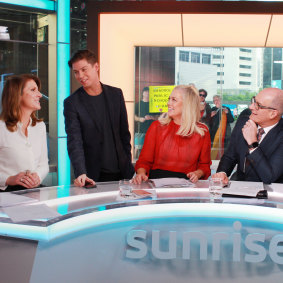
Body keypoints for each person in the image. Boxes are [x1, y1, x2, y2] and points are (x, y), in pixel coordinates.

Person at [64, 50, 134, 187]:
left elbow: (124, 134)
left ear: (96, 67)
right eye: (76, 72)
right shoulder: (72, 103)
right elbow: (74, 141)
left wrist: (127, 161)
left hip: (122, 173)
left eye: (84, 70)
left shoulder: (116, 94)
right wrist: (80, 172)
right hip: (92, 175)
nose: (80, 76)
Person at [132, 85, 211, 184]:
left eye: (174, 100)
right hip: (156, 186)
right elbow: (144, 161)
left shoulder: (202, 131)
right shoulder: (156, 127)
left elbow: (204, 166)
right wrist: (141, 173)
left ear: (187, 104)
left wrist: (197, 173)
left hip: (187, 188)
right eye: (169, 99)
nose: (168, 103)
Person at [212, 88, 283, 184]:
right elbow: (230, 156)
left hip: (269, 193)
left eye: (258, 105)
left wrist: (252, 144)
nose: (251, 107)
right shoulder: (243, 123)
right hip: (239, 186)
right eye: (254, 101)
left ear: (273, 113)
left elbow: (269, 177)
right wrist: (222, 172)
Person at [0, 74, 49, 192]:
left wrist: (37, 176)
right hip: (6, 195)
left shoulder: (39, 127)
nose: (40, 95)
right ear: (17, 95)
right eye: (33, 90)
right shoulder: (1, 128)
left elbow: (43, 165)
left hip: (35, 192)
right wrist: (9, 179)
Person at [134, 87, 159, 157]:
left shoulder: (154, 105)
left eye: (148, 93)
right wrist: (139, 119)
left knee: (151, 150)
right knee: (137, 147)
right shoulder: (138, 104)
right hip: (140, 130)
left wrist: (152, 117)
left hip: (152, 131)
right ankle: (133, 161)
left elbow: (159, 117)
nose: (147, 94)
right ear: (143, 93)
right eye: (146, 92)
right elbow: (133, 116)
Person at [210, 95, 234, 159]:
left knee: (225, 152)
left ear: (221, 100)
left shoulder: (226, 108)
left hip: (225, 135)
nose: (216, 101)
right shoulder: (212, 109)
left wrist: (227, 113)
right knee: (214, 152)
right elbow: (208, 123)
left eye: (217, 99)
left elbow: (231, 120)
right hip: (214, 135)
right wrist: (210, 116)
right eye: (214, 100)